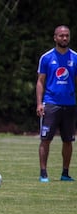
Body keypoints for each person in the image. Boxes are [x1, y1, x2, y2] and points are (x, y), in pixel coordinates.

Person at [36, 25, 77, 183]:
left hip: (70, 104)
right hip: (51, 104)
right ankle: (43, 173)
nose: (64, 38)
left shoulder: (75, 57)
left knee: (68, 141)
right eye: (61, 35)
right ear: (55, 37)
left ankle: (65, 173)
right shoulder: (46, 58)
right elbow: (40, 81)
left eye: (67, 35)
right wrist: (40, 103)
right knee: (45, 139)